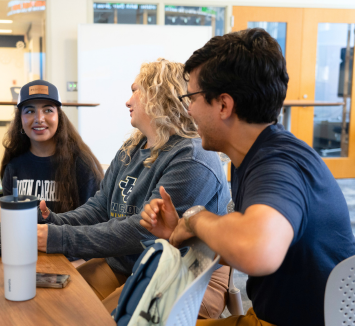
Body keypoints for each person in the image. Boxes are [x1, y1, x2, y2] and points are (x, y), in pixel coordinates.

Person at [140, 29, 355, 326]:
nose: (188, 109)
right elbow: (249, 248)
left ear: (224, 105)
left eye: (191, 97)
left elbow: (258, 251)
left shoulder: (278, 165)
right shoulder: (256, 155)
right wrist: (184, 234)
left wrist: (195, 218)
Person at [37, 58, 231, 318]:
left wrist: (60, 238)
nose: (128, 101)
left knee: (87, 318)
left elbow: (141, 232)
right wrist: (55, 222)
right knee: (54, 304)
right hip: (128, 261)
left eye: (135, 90)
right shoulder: (134, 146)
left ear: (159, 94)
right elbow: (100, 207)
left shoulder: (192, 158)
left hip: (181, 273)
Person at [0, 80, 104, 214]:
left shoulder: (82, 165)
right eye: (30, 111)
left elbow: (94, 220)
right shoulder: (13, 166)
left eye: (48, 110)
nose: (39, 118)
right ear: (20, 119)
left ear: (59, 116)